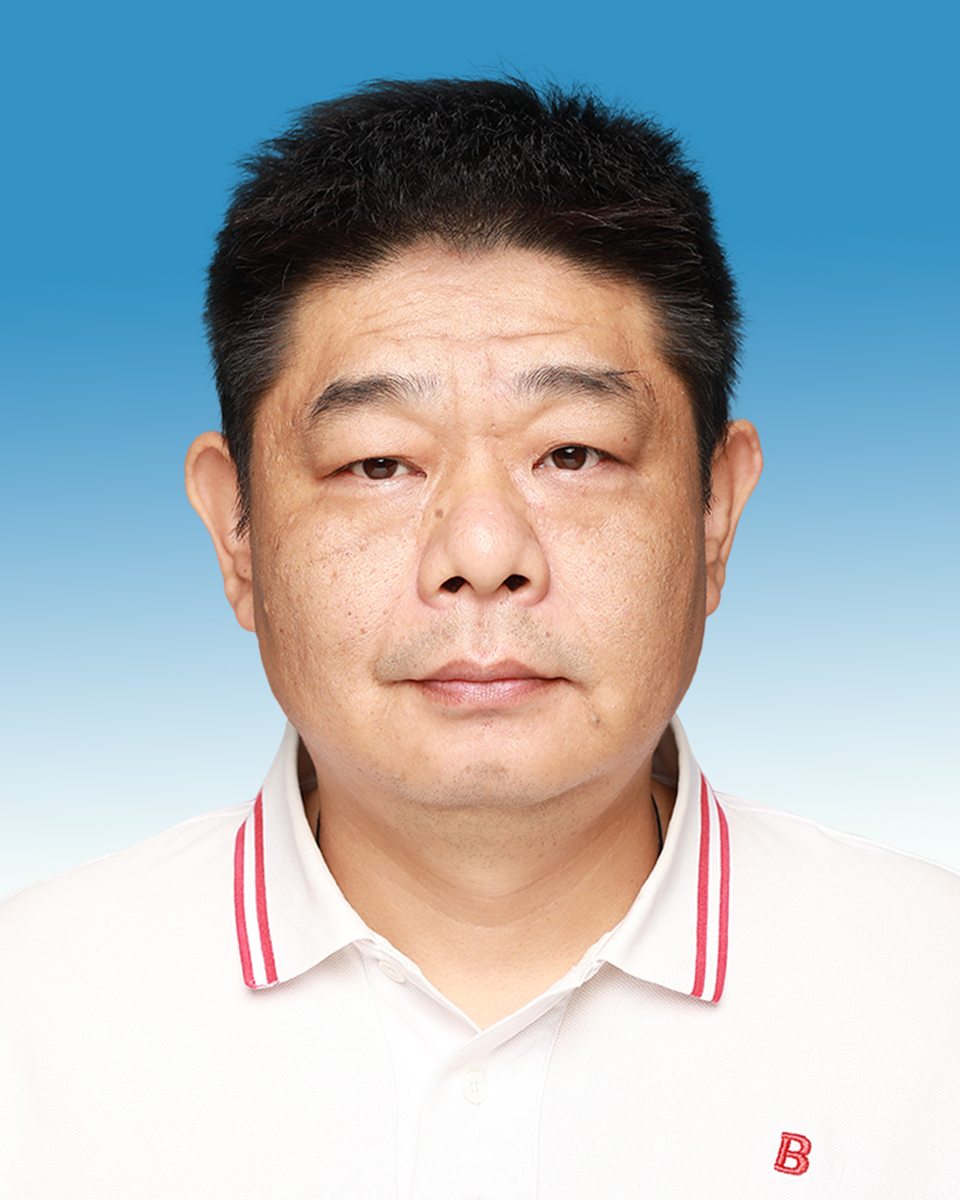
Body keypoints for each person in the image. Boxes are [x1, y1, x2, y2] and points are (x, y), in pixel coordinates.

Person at [1, 77, 957, 1199]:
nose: (486, 551)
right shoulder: (32, 1019)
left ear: (717, 513)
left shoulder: (931, 999)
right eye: (378, 462)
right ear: (236, 534)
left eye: (573, 453)